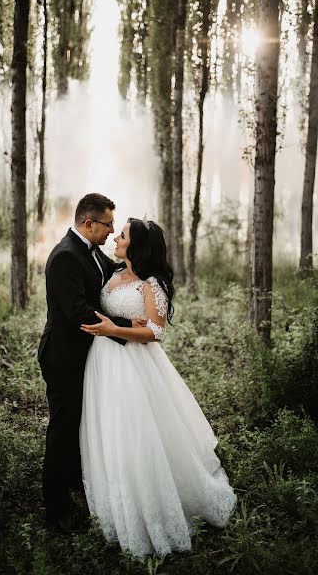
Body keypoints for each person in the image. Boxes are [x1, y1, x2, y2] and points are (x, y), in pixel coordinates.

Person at [80, 217, 237, 559]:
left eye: (122, 235)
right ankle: (116, 503)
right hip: (103, 363)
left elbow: (156, 331)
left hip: (134, 367)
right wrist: (116, 325)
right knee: (110, 432)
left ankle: (152, 508)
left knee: (137, 434)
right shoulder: (114, 272)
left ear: (136, 245)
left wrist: (114, 330)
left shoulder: (152, 284)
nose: (116, 238)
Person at [38, 193, 141, 533]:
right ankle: (55, 508)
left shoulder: (92, 250)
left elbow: (110, 273)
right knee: (64, 428)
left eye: (115, 226)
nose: (112, 231)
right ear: (88, 223)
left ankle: (77, 480)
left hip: (89, 356)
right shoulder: (66, 257)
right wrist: (126, 328)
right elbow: (78, 312)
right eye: (109, 224)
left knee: (83, 422)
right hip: (64, 357)